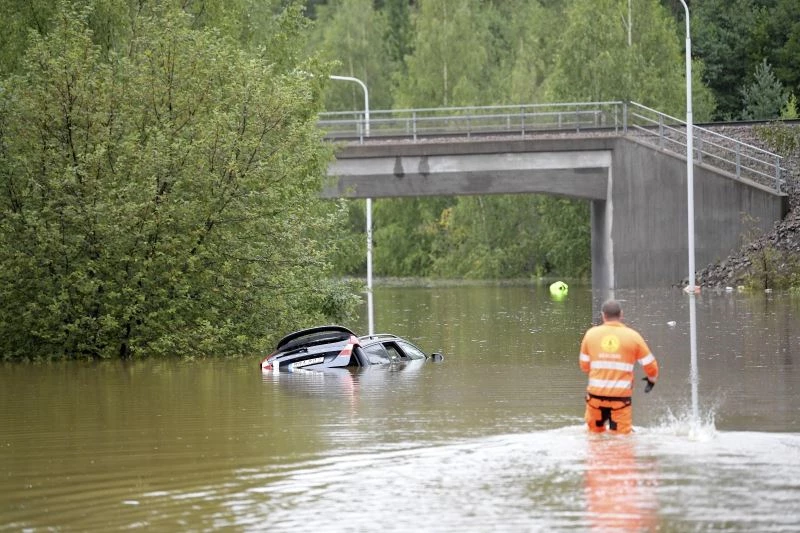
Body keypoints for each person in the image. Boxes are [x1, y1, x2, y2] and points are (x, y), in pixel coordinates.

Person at [579, 299, 659, 434]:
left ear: (603, 315)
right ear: (621, 314)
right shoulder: (633, 336)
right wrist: (651, 379)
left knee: (593, 435)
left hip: (595, 397)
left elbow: (584, 366)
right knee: (621, 437)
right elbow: (650, 365)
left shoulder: (591, 334)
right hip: (620, 399)